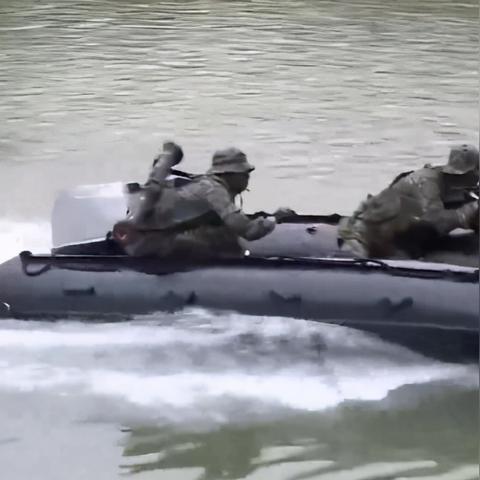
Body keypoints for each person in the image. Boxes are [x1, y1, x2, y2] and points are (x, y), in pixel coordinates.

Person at [113, 142, 294, 258]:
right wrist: (274, 218)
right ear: (229, 174)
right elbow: (248, 231)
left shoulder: (207, 184)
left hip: (147, 237)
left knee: (225, 239)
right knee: (221, 250)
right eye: (244, 174)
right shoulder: (214, 190)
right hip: (147, 243)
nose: (247, 178)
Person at [338, 144, 479, 259]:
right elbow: (433, 220)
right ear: (468, 173)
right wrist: (465, 214)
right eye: (475, 173)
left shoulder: (454, 186)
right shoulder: (427, 181)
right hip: (370, 237)